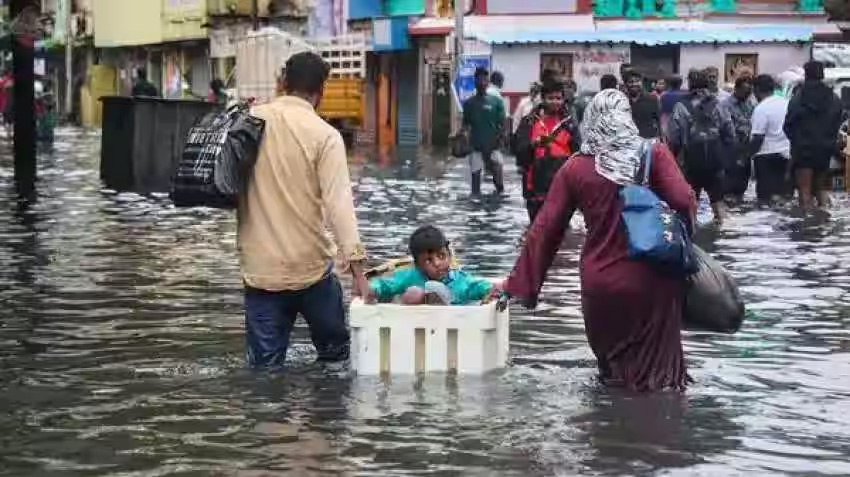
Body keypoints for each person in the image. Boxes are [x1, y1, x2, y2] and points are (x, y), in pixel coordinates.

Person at [502, 90, 696, 392]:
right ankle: (652, 431)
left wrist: (522, 287)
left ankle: (608, 429)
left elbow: (545, 229)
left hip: (600, 285)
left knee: (612, 374)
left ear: (590, 121)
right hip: (651, 280)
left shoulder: (575, 168)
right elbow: (684, 200)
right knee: (659, 381)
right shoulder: (653, 153)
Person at [238, 52, 370, 368]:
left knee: (264, 375)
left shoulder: (249, 122)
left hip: (261, 272)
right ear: (320, 92)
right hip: (311, 270)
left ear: (282, 83)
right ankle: (327, 417)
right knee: (336, 360)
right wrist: (358, 272)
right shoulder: (325, 136)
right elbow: (340, 209)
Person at [668, 70, 735, 225]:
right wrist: (725, 156)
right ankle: (722, 232)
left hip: (691, 162)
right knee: (718, 202)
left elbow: (674, 137)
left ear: (690, 85)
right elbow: (729, 132)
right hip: (714, 161)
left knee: (691, 202)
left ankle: (693, 234)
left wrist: (675, 158)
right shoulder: (718, 104)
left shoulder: (681, 106)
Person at [368, 226, 495, 305]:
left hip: (451, 334)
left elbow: (480, 286)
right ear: (418, 265)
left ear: (449, 255)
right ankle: (427, 299)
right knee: (414, 293)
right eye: (428, 261)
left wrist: (489, 292)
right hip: (415, 335)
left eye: (442, 256)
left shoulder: (460, 280)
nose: (437, 263)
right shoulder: (410, 276)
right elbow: (384, 284)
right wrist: (373, 289)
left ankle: (439, 300)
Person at [513, 79, 580, 222]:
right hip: (535, 186)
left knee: (560, 231)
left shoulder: (569, 124)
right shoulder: (529, 122)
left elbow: (577, 154)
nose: (555, 102)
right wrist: (533, 145)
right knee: (537, 229)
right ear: (542, 99)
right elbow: (519, 152)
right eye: (551, 98)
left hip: (563, 186)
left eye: (558, 98)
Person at [784, 61, 843, 209]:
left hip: (804, 149)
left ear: (806, 75)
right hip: (825, 149)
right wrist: (829, 140)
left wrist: (797, 141)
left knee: (805, 191)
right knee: (821, 188)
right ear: (822, 74)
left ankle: (808, 226)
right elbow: (838, 122)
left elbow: (788, 124)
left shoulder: (799, 96)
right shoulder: (833, 97)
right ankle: (825, 222)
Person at [462, 67, 506, 195]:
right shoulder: (469, 103)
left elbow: (502, 125)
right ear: (475, 81)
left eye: (485, 79)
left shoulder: (496, 102)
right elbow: (465, 124)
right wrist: (462, 138)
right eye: (479, 79)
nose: (482, 82)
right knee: (475, 187)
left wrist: (500, 140)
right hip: (475, 148)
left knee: (499, 185)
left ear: (488, 82)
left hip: (493, 148)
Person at [749, 74, 791, 205]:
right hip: (787, 155)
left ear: (756, 89)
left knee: (765, 199)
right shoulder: (786, 103)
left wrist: (746, 155)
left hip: (766, 157)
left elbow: (758, 137)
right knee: (783, 197)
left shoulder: (761, 108)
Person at [720, 76, 756, 203]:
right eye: (745, 91)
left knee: (742, 186)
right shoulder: (725, 105)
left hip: (746, 150)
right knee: (728, 187)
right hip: (730, 150)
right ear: (737, 89)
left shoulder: (751, 104)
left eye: (749, 92)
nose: (747, 94)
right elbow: (725, 128)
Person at [624, 70, 661, 139]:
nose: (634, 84)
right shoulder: (622, 101)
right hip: (627, 142)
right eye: (631, 82)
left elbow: (659, 122)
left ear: (642, 82)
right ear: (626, 84)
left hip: (647, 142)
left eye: (637, 81)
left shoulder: (652, 99)